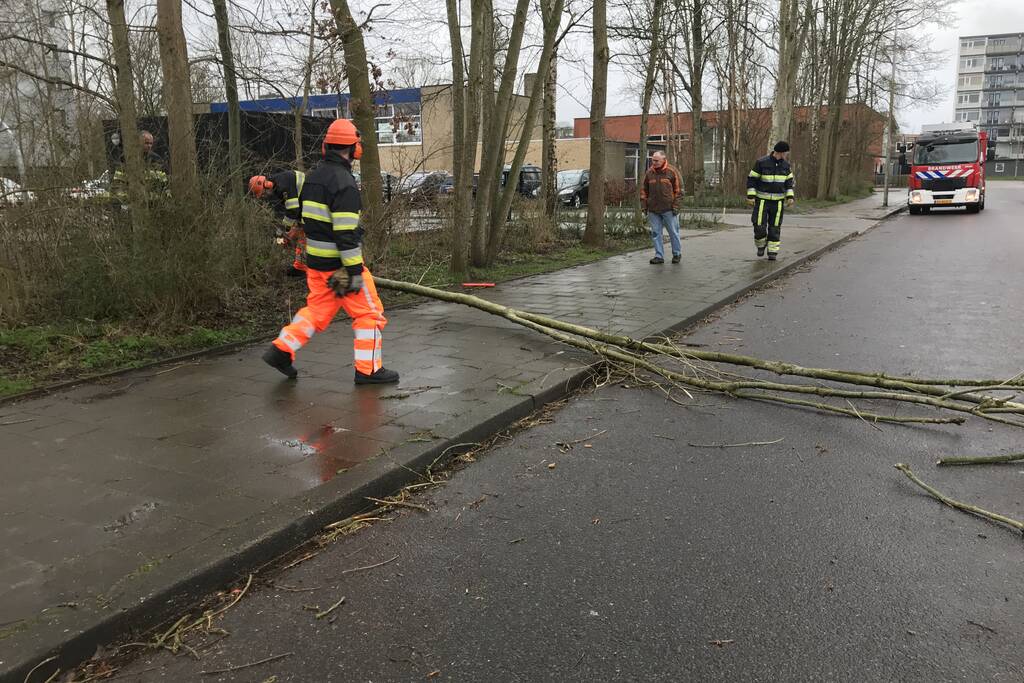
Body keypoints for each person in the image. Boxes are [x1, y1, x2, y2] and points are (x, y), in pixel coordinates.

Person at [263, 118, 399, 385]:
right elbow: (345, 233)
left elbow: (305, 220)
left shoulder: (313, 178)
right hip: (340, 266)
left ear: (327, 146)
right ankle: (368, 369)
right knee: (369, 313)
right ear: (353, 149)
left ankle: (281, 349)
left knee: (316, 311)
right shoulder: (344, 184)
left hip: (317, 264)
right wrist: (354, 271)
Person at [249, 170, 308, 276]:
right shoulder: (278, 185)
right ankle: (300, 267)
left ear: (267, 185)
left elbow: (293, 209)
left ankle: (309, 267)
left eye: (263, 193)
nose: (265, 196)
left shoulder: (282, 185)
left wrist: (285, 230)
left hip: (310, 204)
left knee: (306, 237)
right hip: (304, 207)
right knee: (301, 237)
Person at [746, 141, 795, 261]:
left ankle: (773, 252)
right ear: (780, 152)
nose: (786, 155)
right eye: (785, 153)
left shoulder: (786, 166)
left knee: (775, 227)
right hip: (762, 201)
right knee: (759, 226)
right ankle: (761, 245)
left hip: (778, 202)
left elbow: (789, 183)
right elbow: (752, 179)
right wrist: (751, 196)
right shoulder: (761, 163)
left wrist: (790, 197)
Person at [640, 151, 683, 264]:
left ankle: (677, 254)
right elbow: (644, 191)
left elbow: (679, 191)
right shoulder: (649, 173)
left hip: (669, 209)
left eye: (656, 160)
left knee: (673, 232)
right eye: (653, 160)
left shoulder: (672, 172)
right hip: (653, 210)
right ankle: (659, 256)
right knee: (656, 233)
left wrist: (676, 206)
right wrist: (644, 206)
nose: (653, 162)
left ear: (663, 160)